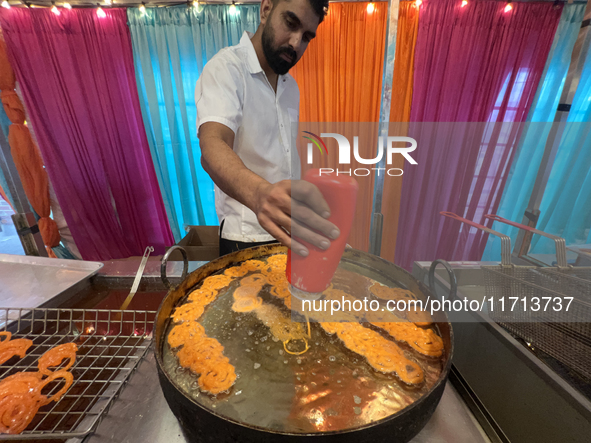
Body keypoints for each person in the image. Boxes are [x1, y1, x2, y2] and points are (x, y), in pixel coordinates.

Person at [196, 0, 339, 257]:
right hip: (244, 236)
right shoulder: (227, 68)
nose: (296, 43)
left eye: (307, 36)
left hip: (286, 231)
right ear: (265, 10)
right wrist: (260, 194)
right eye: (290, 23)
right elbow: (212, 144)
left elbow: (279, 158)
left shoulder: (290, 86)